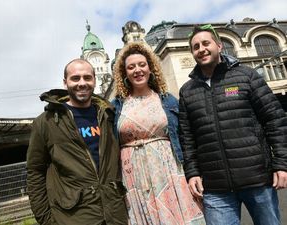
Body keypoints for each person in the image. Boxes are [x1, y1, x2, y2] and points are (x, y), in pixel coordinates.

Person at [179, 24, 287, 225]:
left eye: (205, 43)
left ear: (219, 46)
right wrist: (192, 172)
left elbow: (275, 120)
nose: (201, 49)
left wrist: (281, 163)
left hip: (258, 179)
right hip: (215, 188)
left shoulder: (247, 76)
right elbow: (187, 137)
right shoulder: (187, 91)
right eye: (195, 46)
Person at [111, 42, 205, 225]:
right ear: (124, 73)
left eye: (141, 64)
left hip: (169, 170)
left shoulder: (167, 99)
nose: (137, 70)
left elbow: (186, 137)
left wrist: (194, 172)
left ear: (150, 67)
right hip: (133, 176)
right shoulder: (116, 106)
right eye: (131, 67)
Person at [26, 58, 128, 225]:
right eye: (75, 78)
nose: (82, 83)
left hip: (115, 214)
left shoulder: (109, 115)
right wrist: (46, 220)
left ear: (94, 80)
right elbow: (35, 172)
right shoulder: (47, 122)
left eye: (87, 77)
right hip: (74, 216)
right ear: (65, 83)